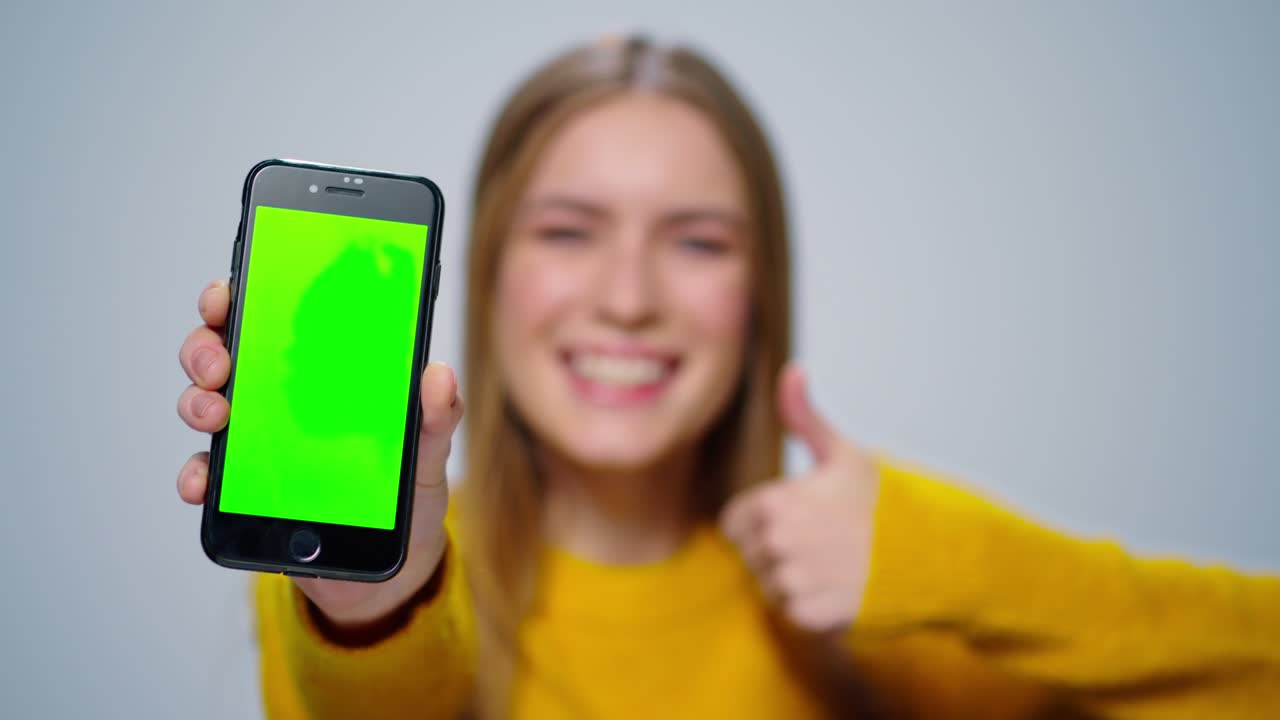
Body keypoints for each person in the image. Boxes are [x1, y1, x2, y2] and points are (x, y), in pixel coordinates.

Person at [175, 36, 1280, 719]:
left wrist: (956, 562)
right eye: (568, 231)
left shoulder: (893, 591)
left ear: (760, 291)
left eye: (696, 241)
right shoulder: (361, 584)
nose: (627, 295)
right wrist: (378, 598)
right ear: (490, 273)